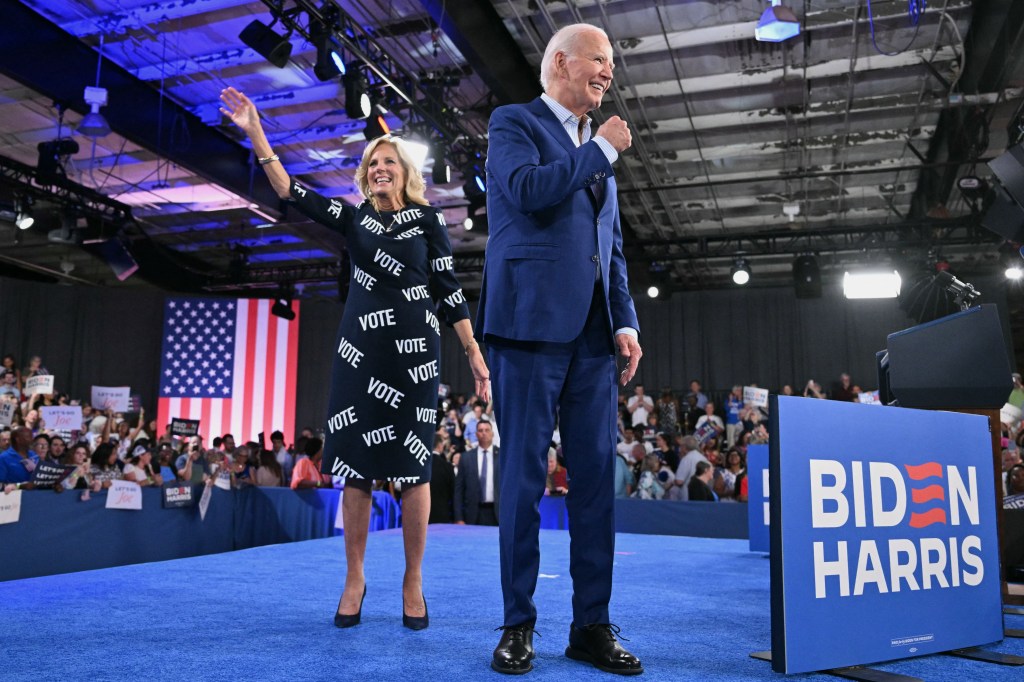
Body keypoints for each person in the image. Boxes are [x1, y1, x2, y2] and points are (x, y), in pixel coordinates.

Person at [221, 84, 489, 632]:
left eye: (389, 161)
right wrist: (256, 130)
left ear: (406, 172)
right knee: (356, 472)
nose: (379, 168)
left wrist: (474, 353)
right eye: (372, 163)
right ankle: (355, 577)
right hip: (359, 354)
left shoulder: (427, 222)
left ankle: (413, 579)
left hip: (415, 358)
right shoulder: (355, 219)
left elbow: (448, 289)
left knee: (415, 471)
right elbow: (291, 190)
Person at [476, 23, 643, 675]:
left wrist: (625, 320)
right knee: (521, 484)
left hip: (596, 339)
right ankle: (518, 624)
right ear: (561, 63)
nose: (608, 72)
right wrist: (600, 151)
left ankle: (591, 626)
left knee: (597, 484)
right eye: (600, 60)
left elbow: (613, 249)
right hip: (525, 329)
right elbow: (525, 193)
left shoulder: (598, 152)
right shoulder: (514, 123)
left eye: (611, 64)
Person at [454, 419, 499, 525]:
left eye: (487, 430)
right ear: (476, 434)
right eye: (480, 430)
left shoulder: (502, 456)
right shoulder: (466, 458)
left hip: (497, 513)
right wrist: (459, 517)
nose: (484, 433)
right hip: (473, 513)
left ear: (492, 433)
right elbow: (459, 489)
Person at [428, 434, 456, 524]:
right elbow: (454, 492)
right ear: (440, 446)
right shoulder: (447, 467)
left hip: (420, 516)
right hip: (442, 516)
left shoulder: (419, 466)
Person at [1, 426, 38, 491]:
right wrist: (19, 486)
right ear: (17, 439)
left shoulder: (34, 455)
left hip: (36, 497)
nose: (31, 440)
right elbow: (1, 485)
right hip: (14, 499)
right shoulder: (4, 458)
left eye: (32, 437)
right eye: (28, 437)